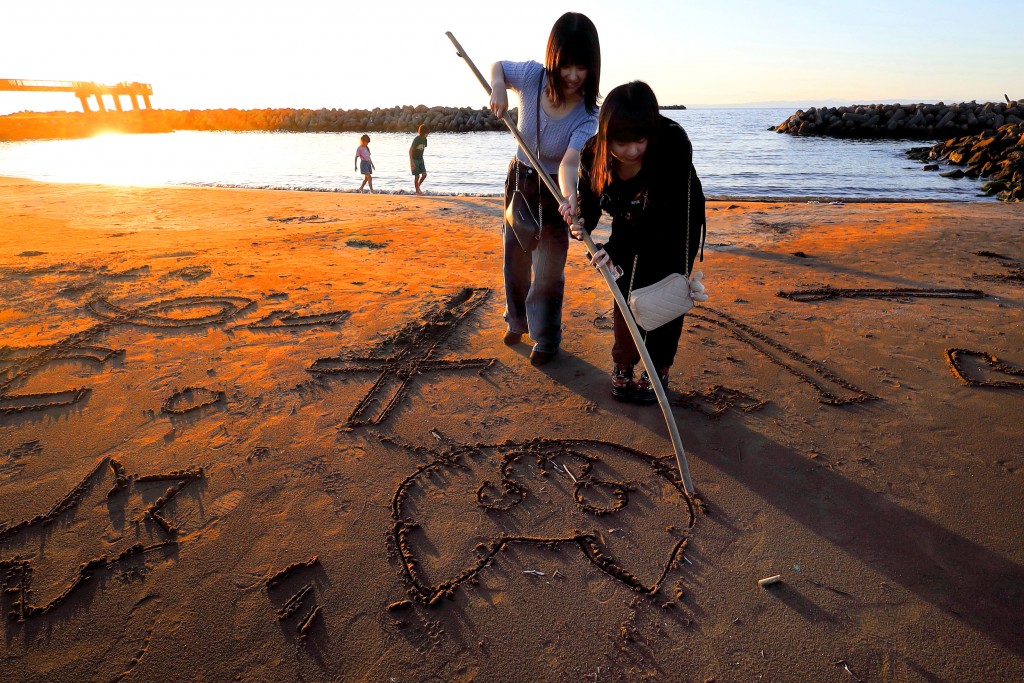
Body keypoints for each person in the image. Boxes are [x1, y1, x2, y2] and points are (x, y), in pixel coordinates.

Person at [567, 81, 706, 404]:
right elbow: (590, 199)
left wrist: (613, 248)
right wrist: (580, 221)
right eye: (621, 142)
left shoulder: (673, 143)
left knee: (664, 293)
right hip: (627, 224)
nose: (631, 151)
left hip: (674, 223)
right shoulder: (592, 153)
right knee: (625, 292)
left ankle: (658, 368)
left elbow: (658, 215)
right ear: (605, 136)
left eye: (639, 141)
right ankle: (624, 363)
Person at [488, 11, 601, 366]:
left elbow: (569, 163)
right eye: (565, 65)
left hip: (554, 189)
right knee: (515, 259)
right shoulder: (534, 75)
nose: (571, 75)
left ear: (592, 67)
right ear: (553, 58)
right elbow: (498, 68)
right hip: (521, 180)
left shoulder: (587, 115)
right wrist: (497, 89)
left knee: (550, 269)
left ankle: (547, 336)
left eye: (580, 67)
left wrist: (570, 199)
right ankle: (517, 320)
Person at [409, 124, 429, 194]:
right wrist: (411, 162)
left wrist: (422, 160)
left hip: (421, 159)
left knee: (424, 175)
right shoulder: (416, 139)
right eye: (427, 133)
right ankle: (417, 190)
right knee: (417, 176)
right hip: (414, 160)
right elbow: (410, 150)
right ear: (423, 132)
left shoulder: (425, 140)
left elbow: (422, 150)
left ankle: (418, 187)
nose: (427, 134)